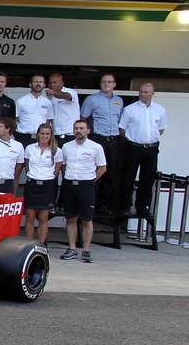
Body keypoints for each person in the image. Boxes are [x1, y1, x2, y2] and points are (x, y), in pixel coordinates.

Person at [57, 119, 106, 263]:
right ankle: (72, 248)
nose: (78, 130)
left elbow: (102, 168)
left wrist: (91, 181)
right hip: (70, 185)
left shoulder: (96, 147)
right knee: (70, 218)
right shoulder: (66, 147)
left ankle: (86, 249)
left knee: (87, 219)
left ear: (88, 130)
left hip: (87, 186)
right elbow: (63, 165)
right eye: (76, 128)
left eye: (81, 128)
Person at [117, 82, 167, 219]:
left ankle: (142, 206)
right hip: (134, 147)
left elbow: (161, 129)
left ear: (152, 93)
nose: (143, 94)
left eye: (146, 92)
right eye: (141, 92)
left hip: (151, 147)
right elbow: (122, 129)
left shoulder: (160, 109)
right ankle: (125, 205)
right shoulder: (130, 109)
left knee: (148, 177)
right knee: (128, 177)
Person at [80, 73, 124, 214]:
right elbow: (83, 118)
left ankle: (104, 205)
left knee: (110, 173)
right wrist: (90, 132)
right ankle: (90, 203)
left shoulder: (119, 101)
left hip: (114, 140)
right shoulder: (92, 99)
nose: (106, 84)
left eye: (109, 82)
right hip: (98, 139)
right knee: (94, 172)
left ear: (114, 84)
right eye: (104, 82)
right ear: (100, 84)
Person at [19, 124, 58, 243]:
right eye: (42, 133)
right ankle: (28, 244)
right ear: (38, 134)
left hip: (47, 186)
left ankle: (41, 245)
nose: (44, 136)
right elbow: (27, 166)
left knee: (43, 217)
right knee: (30, 216)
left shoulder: (57, 151)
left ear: (51, 135)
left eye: (47, 134)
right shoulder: (30, 148)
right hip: (32, 185)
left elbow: (56, 171)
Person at [15, 74, 53, 148]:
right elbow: (15, 119)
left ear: (44, 85)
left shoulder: (48, 103)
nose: (38, 84)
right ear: (30, 84)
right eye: (35, 82)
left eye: (40, 82)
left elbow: (48, 121)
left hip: (41, 138)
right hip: (23, 137)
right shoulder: (20, 101)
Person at [45, 73, 80, 146]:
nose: (52, 85)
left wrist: (54, 93)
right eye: (50, 83)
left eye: (55, 82)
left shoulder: (71, 92)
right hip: (55, 135)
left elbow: (65, 96)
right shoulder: (49, 97)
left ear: (62, 83)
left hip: (70, 134)